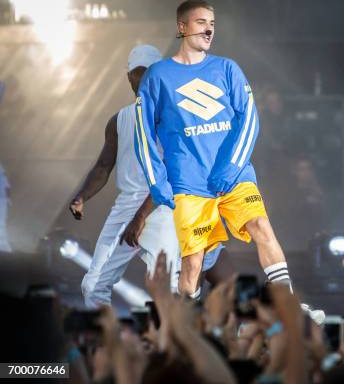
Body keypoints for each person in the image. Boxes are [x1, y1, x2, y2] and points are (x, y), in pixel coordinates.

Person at [134, 0, 295, 299]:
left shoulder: (227, 68)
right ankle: (187, 328)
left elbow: (250, 120)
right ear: (181, 27)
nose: (209, 29)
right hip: (189, 185)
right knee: (194, 263)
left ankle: (289, 307)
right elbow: (142, 133)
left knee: (261, 226)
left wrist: (232, 167)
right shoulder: (158, 76)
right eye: (201, 22)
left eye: (212, 24)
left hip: (233, 177)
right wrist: (157, 182)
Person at [70, 44, 232, 308]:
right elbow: (102, 167)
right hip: (126, 207)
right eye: (137, 73)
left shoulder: (176, 117)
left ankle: (173, 344)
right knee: (93, 285)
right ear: (128, 77)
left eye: (149, 73)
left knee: (168, 292)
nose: (142, 78)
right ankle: (106, 346)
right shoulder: (119, 120)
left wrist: (141, 217)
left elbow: (172, 173)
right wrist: (81, 196)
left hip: (161, 208)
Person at [0, 161, 11, 252]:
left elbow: (7, 188)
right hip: (3, 200)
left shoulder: (2, 177)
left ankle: (4, 247)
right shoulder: (3, 177)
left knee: (1, 224)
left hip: (2, 201)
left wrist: (7, 199)